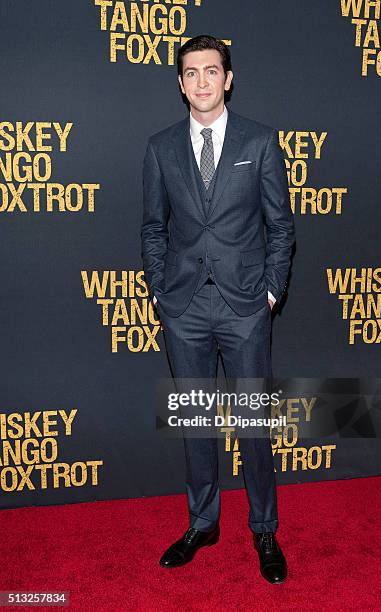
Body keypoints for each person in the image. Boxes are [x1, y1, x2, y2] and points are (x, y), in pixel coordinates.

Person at [141, 34, 295, 584]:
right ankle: (203, 522)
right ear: (180, 82)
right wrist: (161, 291)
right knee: (197, 423)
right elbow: (153, 229)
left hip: (246, 305)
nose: (202, 81)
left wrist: (271, 292)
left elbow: (281, 226)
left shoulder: (261, 140)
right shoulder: (160, 148)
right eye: (191, 72)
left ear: (228, 78)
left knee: (254, 424)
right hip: (184, 306)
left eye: (211, 71)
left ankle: (264, 529)